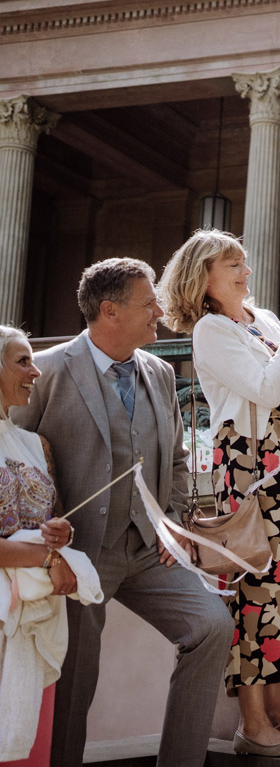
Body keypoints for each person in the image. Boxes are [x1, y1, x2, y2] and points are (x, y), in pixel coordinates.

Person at [12, 259, 234, 767]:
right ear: (109, 311)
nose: (160, 311)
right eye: (148, 303)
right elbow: (16, 455)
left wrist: (173, 521)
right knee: (73, 678)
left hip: (148, 551)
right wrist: (41, 540)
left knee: (211, 625)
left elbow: (177, 460)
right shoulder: (46, 371)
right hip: (77, 554)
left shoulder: (158, 371)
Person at [159, 234, 280, 758]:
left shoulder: (267, 319)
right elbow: (262, 389)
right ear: (202, 277)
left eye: (244, 261)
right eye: (232, 264)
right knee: (257, 590)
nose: (244, 270)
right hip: (251, 465)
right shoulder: (210, 329)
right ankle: (252, 725)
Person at [0, 326, 85, 767]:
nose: (35, 371)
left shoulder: (38, 444)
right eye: (22, 361)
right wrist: (48, 557)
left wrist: (60, 538)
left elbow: (58, 519)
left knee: (32, 742)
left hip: (38, 614)